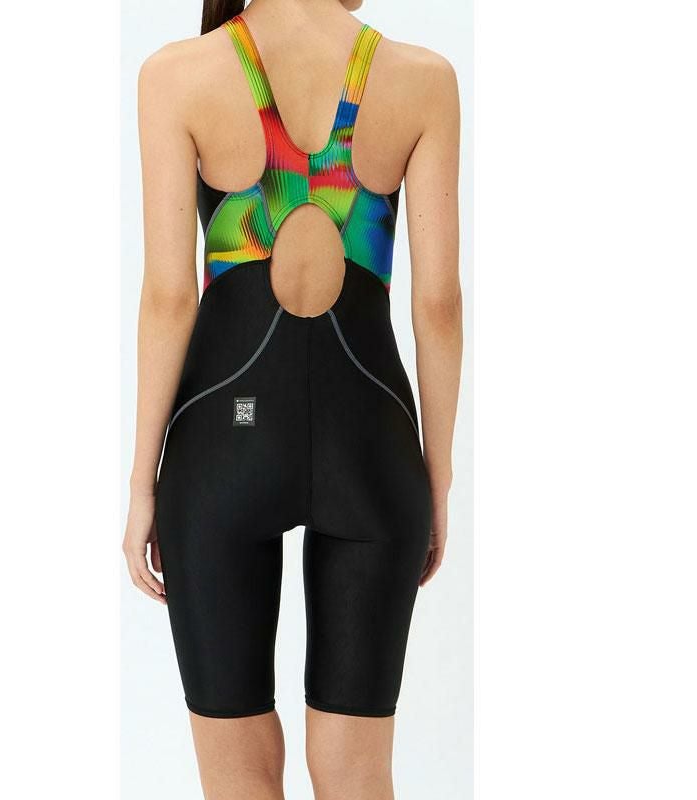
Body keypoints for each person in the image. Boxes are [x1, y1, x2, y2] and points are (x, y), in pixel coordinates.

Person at [123, 0, 461, 797]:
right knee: (357, 773)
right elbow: (438, 304)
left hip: (224, 444)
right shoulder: (423, 80)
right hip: (372, 445)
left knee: (238, 776)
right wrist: (436, 477)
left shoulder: (177, 75)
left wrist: (142, 483)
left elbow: (170, 298)